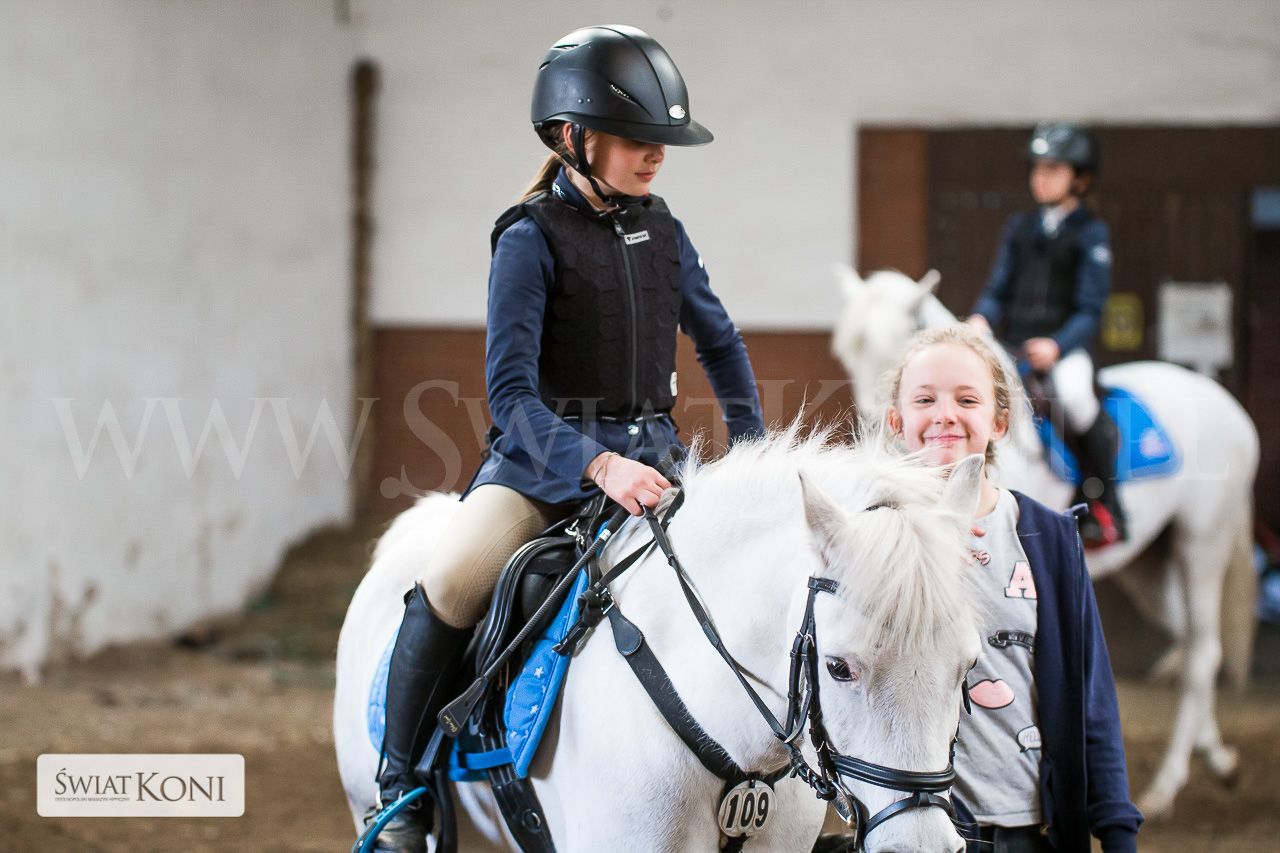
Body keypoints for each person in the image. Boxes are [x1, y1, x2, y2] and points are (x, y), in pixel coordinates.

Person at [364, 24, 765, 852]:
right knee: (449, 579)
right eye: (635, 136)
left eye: (660, 139)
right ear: (573, 135)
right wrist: (598, 463)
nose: (656, 154)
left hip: (656, 461)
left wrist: (755, 450)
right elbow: (511, 396)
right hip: (542, 466)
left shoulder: (665, 232)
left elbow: (721, 344)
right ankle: (400, 788)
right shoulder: (528, 237)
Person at [883, 325, 1142, 853]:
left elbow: (1092, 700)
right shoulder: (875, 537)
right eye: (925, 400)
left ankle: (1105, 494)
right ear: (897, 421)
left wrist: (1117, 833)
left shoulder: (1049, 538)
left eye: (967, 400)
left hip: (1027, 831)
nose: (945, 414)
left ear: (1000, 422)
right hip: (912, 834)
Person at [965, 122, 1126, 546]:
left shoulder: (1091, 233)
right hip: (1013, 345)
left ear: (1080, 178)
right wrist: (981, 317)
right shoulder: (1019, 228)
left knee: (1076, 399)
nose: (1040, 177)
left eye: (1053, 169)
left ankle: (1102, 500)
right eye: (1038, 168)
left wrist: (1057, 345)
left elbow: (1091, 308)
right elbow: (997, 289)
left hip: (1063, 349)